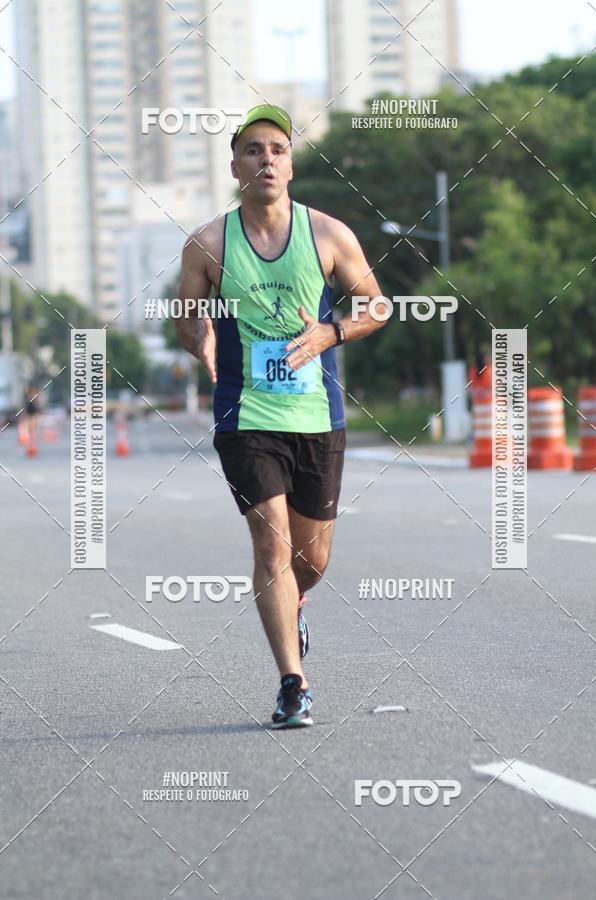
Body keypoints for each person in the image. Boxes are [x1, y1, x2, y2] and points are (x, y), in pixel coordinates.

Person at [176, 104, 385, 728]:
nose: (266, 159)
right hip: (245, 416)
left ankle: (293, 606)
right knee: (271, 542)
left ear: (290, 164)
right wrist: (200, 337)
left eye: (278, 149)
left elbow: (377, 308)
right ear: (235, 165)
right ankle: (292, 683)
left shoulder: (329, 235)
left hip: (317, 415)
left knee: (311, 561)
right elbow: (188, 317)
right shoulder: (208, 243)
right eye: (253, 150)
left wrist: (328, 334)